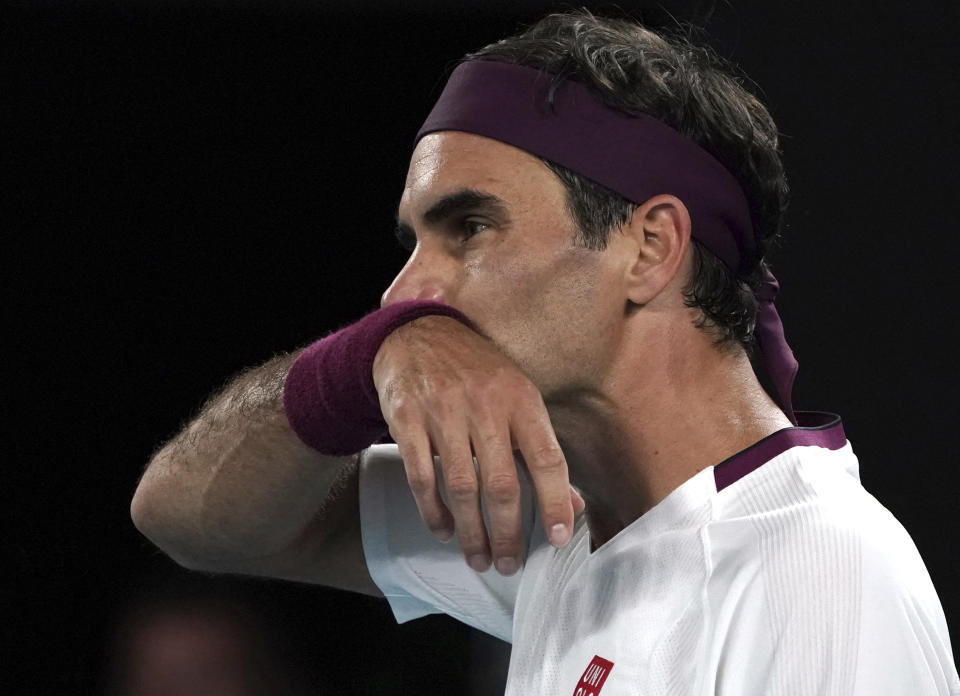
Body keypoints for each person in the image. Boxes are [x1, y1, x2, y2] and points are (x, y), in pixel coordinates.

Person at [131, 10, 960, 695]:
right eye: (415, 240)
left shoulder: (821, 572)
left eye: (470, 227)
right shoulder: (548, 515)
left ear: (649, 247)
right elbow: (188, 518)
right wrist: (357, 366)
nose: (398, 297)